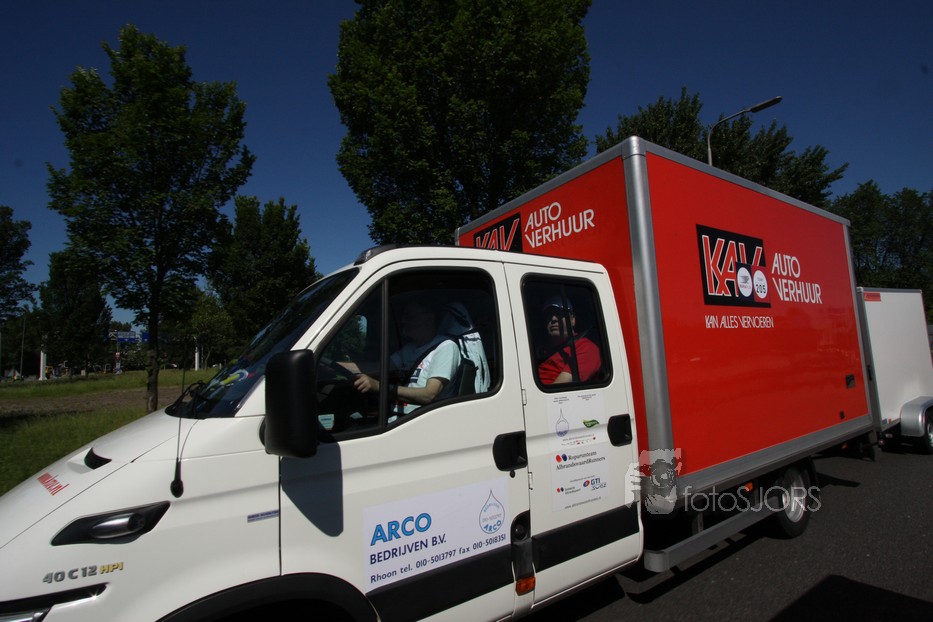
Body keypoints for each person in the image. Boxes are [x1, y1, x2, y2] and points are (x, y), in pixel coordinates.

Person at [352, 297, 461, 414]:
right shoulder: (409, 349)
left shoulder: (445, 347)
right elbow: (378, 367)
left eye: (410, 316)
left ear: (429, 318)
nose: (403, 321)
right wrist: (339, 365)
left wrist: (378, 386)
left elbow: (429, 395)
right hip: (398, 416)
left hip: (422, 418)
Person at [537, 296, 601, 384]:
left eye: (559, 314)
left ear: (573, 320)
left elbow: (559, 389)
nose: (553, 319)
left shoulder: (586, 348)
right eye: (549, 315)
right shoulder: (541, 351)